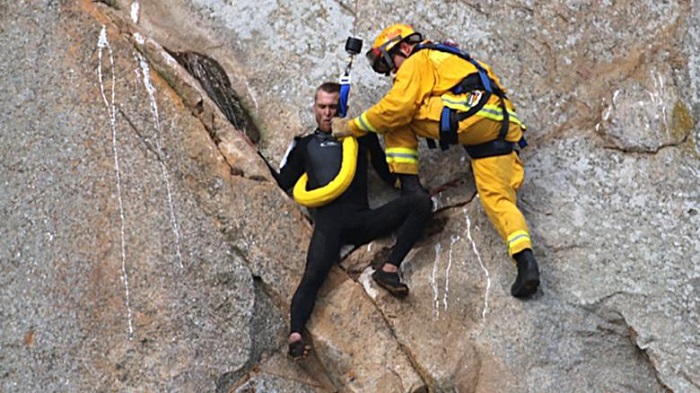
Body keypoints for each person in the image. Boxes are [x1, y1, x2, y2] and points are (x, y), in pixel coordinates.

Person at [331, 24, 541, 299]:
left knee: (397, 116)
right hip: (500, 126)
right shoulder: (452, 58)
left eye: (388, 61)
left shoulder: (418, 58)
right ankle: (525, 261)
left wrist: (352, 126)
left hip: (471, 115)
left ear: (403, 47)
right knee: (499, 200)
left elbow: (397, 107)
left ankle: (410, 190)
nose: (392, 71)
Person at [274, 82, 432, 361]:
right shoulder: (305, 146)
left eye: (333, 107)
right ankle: (296, 335)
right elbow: (282, 181)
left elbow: (386, 173)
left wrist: (415, 185)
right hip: (329, 225)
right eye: (322, 107)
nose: (327, 113)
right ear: (314, 108)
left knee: (420, 202)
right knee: (312, 277)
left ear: (341, 109)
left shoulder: (361, 137)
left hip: (362, 220)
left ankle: (389, 268)